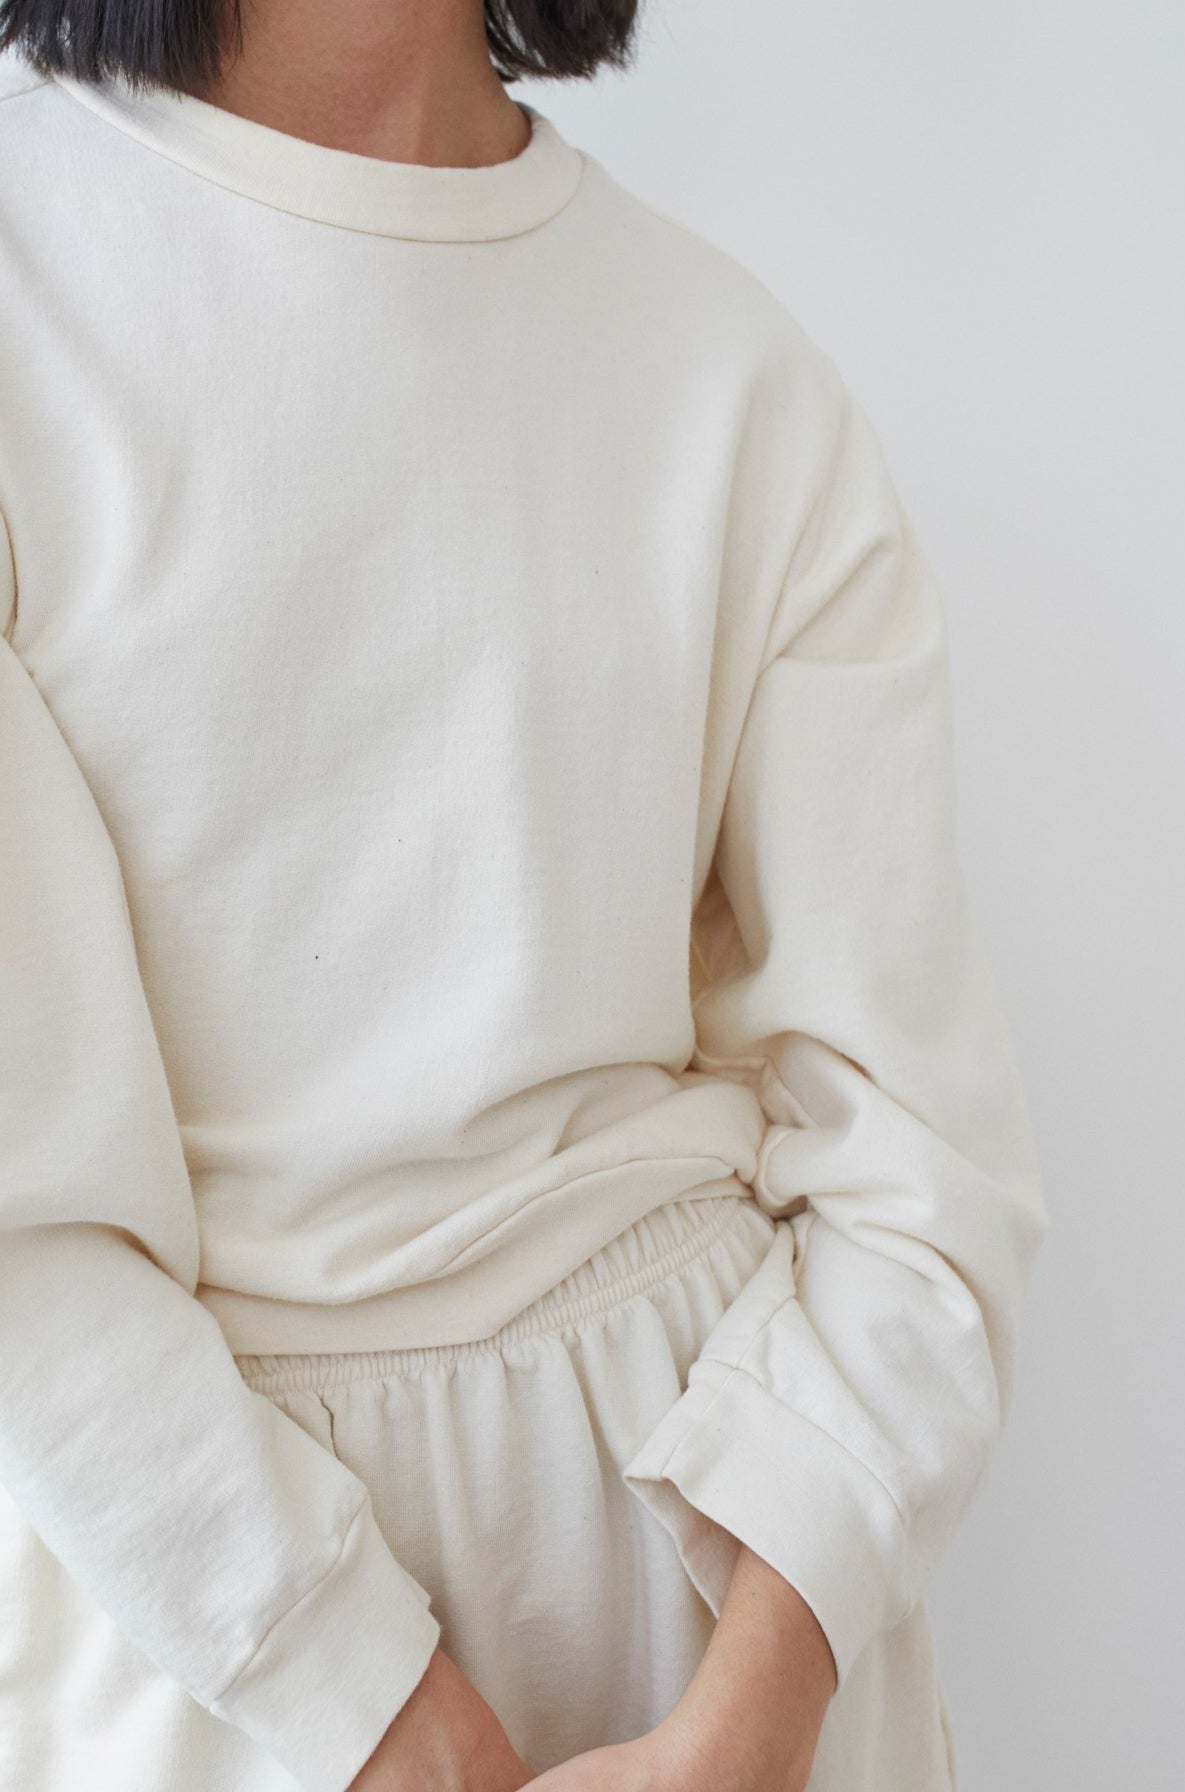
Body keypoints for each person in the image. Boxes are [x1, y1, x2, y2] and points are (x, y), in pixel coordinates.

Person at [0, 2, 1049, 1789]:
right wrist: (376, 1718)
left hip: (735, 1596)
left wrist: (757, 1707)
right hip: (213, 1647)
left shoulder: (728, 367)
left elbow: (917, 1149)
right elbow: (27, 1232)